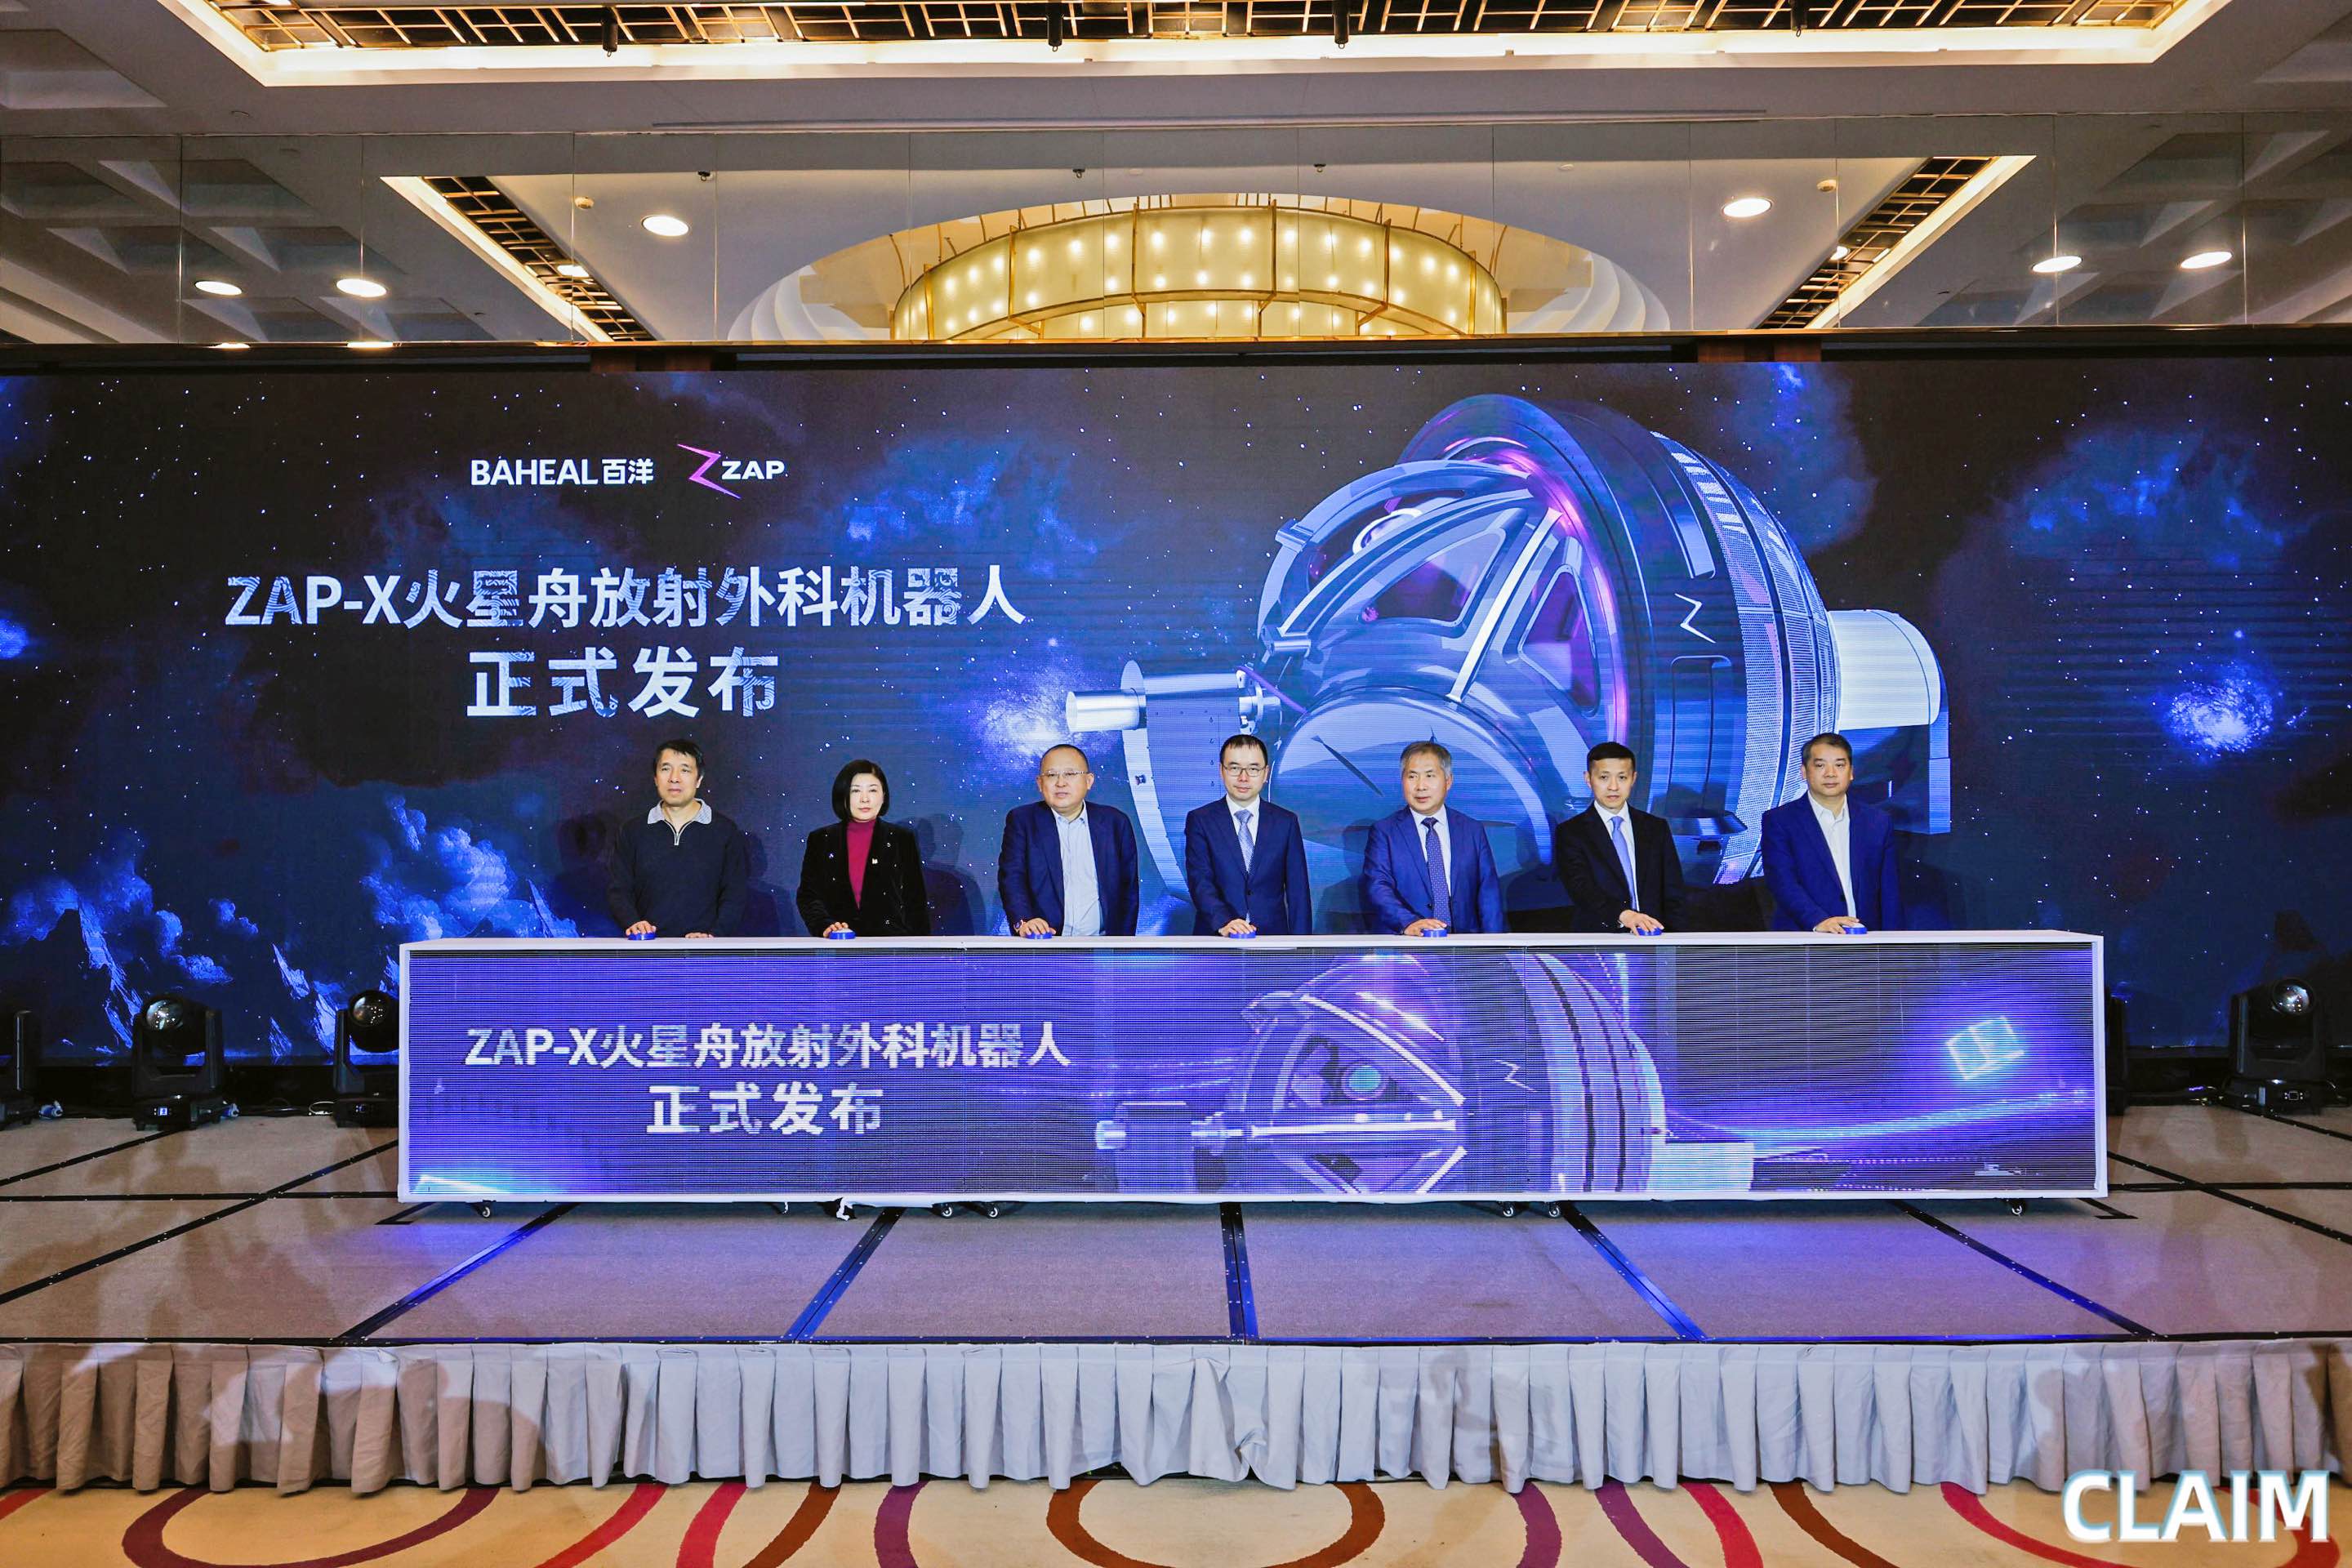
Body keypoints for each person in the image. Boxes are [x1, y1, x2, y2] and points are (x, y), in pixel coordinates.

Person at [1761, 731, 1903, 933]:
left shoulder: (1877, 822)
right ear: (1804, 771)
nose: (1830, 773)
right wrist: (1819, 921)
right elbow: (1782, 881)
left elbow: (1890, 892)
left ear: (1851, 772)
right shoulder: (1780, 821)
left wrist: (1893, 943)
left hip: (1866, 939)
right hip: (1807, 937)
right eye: (1820, 765)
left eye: (1839, 765)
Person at [607, 737, 747, 938]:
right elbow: (619, 890)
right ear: (656, 778)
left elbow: (734, 894)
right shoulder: (632, 830)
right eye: (666, 769)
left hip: (704, 948)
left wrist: (714, 935)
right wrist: (633, 923)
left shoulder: (724, 830)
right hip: (647, 947)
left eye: (685, 770)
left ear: (699, 779)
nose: (674, 778)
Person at [1363, 740, 1504, 936]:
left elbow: (1488, 893)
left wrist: (1494, 945)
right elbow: (1378, 885)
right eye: (1412, 776)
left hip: (1465, 942)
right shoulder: (1385, 832)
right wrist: (1409, 922)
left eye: (1430, 776)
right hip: (1409, 943)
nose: (1421, 786)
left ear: (1448, 781)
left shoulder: (1472, 830)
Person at [998, 743, 1140, 938]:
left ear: (1089, 781)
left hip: (1103, 943)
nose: (1060, 783)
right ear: (1040, 783)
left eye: (1070, 774)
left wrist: (1122, 944)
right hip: (1044, 941)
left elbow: (1128, 890)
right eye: (1051, 775)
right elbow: (1012, 878)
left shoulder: (1115, 822)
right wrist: (1024, 921)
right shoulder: (1023, 821)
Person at [1184, 733, 1312, 938]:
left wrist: (1301, 946)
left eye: (1253, 769)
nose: (1243, 778)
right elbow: (1200, 881)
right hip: (1216, 938)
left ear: (1266, 773)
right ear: (1221, 771)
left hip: (1272, 939)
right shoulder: (1201, 820)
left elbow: (1298, 892)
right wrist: (1224, 922)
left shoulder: (1285, 822)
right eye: (1235, 768)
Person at [1553, 742, 1688, 934]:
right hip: (1599, 938)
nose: (1614, 787)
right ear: (1588, 779)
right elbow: (1580, 887)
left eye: (1622, 777)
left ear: (1633, 779)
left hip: (1655, 936)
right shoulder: (1571, 832)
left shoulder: (1656, 828)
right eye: (1604, 777)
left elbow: (1674, 891)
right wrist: (1623, 915)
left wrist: (1676, 941)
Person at [796, 760, 932, 938]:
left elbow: (915, 900)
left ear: (884, 795)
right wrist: (825, 925)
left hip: (892, 943)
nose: (865, 799)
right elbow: (808, 896)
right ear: (842, 795)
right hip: (839, 942)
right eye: (856, 791)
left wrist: (920, 947)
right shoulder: (822, 839)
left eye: (873, 790)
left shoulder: (901, 838)